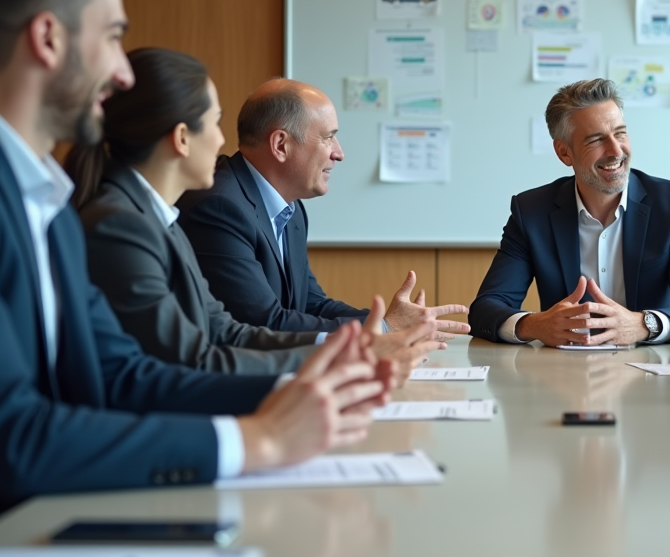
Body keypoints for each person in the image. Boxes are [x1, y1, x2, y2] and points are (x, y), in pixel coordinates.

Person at [0, 0, 396, 521]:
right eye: (112, 38)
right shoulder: (63, 207)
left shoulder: (47, 202)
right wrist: (258, 440)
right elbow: (9, 436)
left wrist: (321, 379)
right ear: (47, 39)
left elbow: (121, 375)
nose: (122, 74)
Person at [68, 47, 440, 377]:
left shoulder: (162, 221)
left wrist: (368, 338)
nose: (221, 140)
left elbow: (226, 330)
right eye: (214, 123)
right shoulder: (133, 223)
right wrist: (356, 350)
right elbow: (199, 355)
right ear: (182, 138)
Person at [175, 77, 469, 337]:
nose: (339, 153)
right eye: (328, 137)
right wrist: (384, 328)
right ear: (280, 145)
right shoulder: (219, 207)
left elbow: (312, 304)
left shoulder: (291, 211)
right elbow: (262, 322)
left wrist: (391, 323)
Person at [469, 78, 670, 346]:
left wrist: (643, 324)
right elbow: (486, 308)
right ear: (564, 153)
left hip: (652, 369)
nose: (616, 150)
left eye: (620, 133)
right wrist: (535, 325)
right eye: (596, 140)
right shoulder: (531, 212)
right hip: (564, 373)